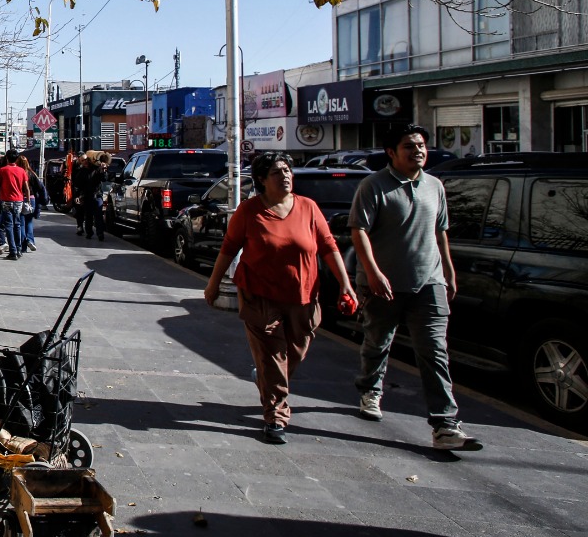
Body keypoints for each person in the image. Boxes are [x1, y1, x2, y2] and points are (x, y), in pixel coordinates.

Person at [202, 152, 356, 444]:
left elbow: (328, 246)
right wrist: (213, 284)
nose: (285, 176)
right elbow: (229, 248)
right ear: (262, 179)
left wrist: (345, 284)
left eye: (287, 171)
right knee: (273, 356)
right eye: (277, 172)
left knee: (294, 352)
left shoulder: (308, 207)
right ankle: (275, 416)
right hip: (260, 296)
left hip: (303, 295)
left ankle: (265, 378)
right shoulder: (249, 211)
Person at [350, 124, 481, 451]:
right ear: (391, 152)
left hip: (429, 282)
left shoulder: (435, 186)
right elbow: (359, 231)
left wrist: (448, 271)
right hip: (384, 284)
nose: (418, 151)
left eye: (421, 145)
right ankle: (370, 389)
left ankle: (445, 424)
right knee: (378, 341)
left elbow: (440, 232)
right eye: (409, 146)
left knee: (434, 352)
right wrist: (373, 273)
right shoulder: (373, 186)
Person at [0, 148, 30, 259]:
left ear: (7, 158)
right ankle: (19, 249)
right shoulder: (22, 171)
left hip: (6, 201)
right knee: (17, 225)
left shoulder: (2, 170)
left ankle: (13, 251)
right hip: (19, 201)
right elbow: (26, 188)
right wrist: (28, 201)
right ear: (17, 159)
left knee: (9, 226)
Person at [17, 155, 49, 252]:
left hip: (20, 199)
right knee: (29, 222)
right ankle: (30, 240)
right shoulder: (32, 174)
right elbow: (40, 188)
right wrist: (43, 200)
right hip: (31, 200)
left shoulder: (18, 173)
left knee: (21, 224)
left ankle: (23, 246)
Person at [70, 152, 104, 239]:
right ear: (80, 162)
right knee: (88, 216)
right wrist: (77, 196)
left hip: (97, 195)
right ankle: (89, 232)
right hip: (87, 196)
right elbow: (77, 185)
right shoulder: (81, 172)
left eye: (86, 159)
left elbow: (104, 178)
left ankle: (100, 233)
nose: (85, 161)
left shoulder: (97, 168)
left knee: (98, 215)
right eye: (82, 160)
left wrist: (103, 170)